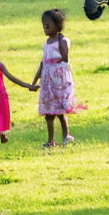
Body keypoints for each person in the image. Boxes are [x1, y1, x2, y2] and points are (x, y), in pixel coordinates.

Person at [33, 8, 86, 147]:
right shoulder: (47, 42)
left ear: (57, 25)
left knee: (60, 112)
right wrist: (35, 80)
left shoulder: (61, 40)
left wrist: (56, 68)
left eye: (48, 25)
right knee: (49, 113)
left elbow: (65, 59)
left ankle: (66, 136)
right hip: (48, 85)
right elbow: (43, 63)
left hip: (59, 83)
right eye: (43, 25)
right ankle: (50, 140)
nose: (45, 28)